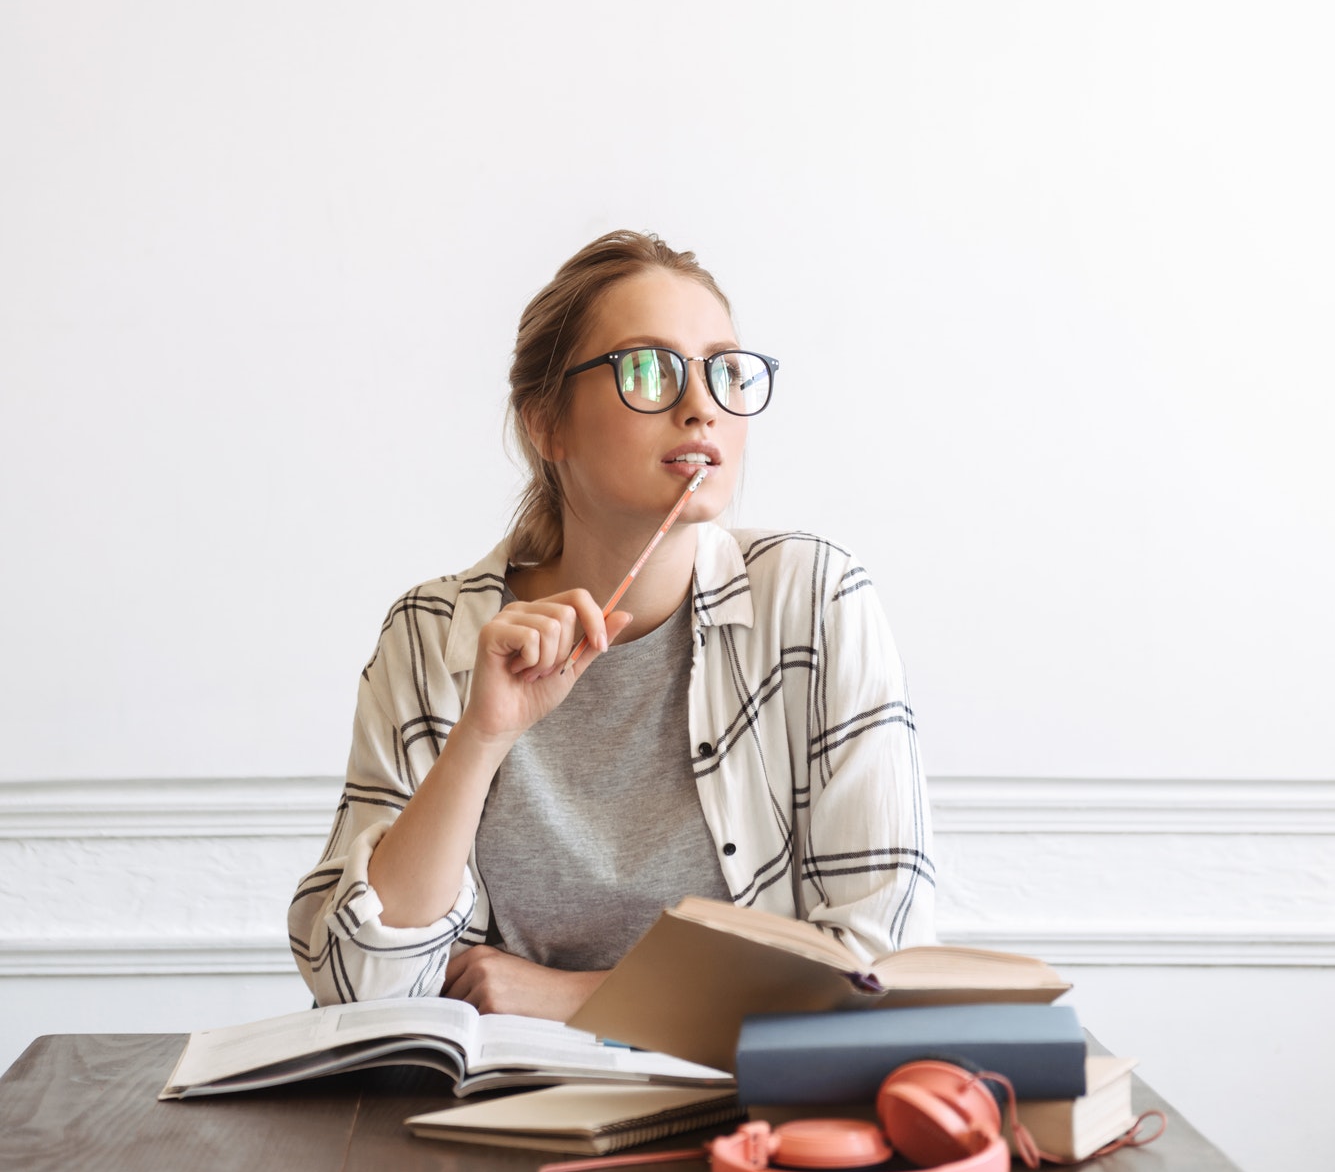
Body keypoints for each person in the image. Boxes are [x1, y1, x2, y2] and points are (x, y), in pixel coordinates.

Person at [289, 230, 935, 1017]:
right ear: (546, 425)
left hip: (744, 1115)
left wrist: (574, 998)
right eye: (647, 370)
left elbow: (878, 965)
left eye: (724, 370)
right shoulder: (432, 634)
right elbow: (359, 985)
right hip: (482, 1116)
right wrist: (482, 738)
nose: (701, 407)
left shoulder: (813, 600)